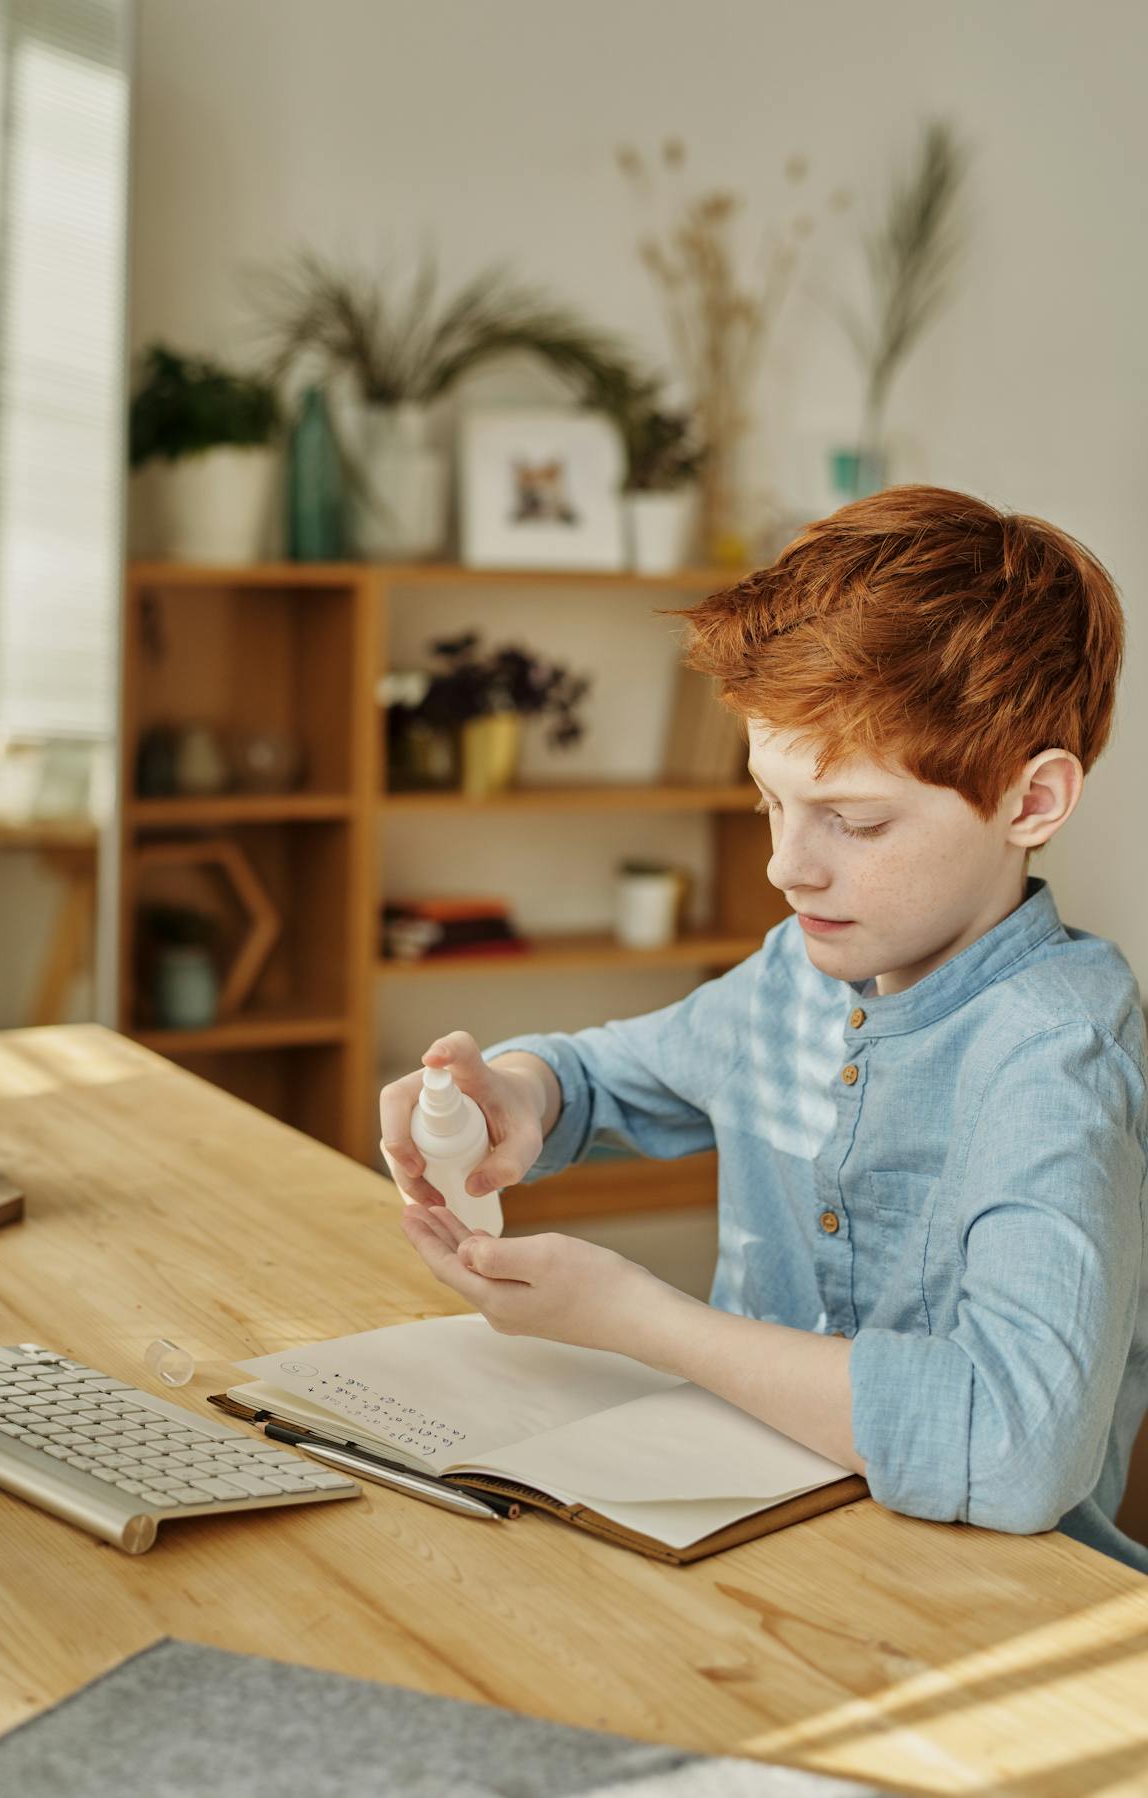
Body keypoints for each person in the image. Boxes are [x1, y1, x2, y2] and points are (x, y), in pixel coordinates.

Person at [379, 485, 1148, 1571]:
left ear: (1030, 803)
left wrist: (641, 1321)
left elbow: (1013, 1443)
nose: (789, 864)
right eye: (771, 803)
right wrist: (514, 1093)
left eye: (858, 820)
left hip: (987, 1596)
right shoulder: (804, 966)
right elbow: (615, 1079)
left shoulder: (1056, 1053)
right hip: (749, 1540)